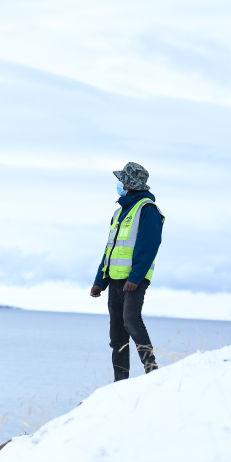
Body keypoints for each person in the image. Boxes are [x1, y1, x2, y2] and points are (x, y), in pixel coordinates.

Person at [90, 162, 164, 381]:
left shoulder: (147, 209)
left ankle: (151, 369)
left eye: (122, 180)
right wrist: (99, 281)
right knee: (117, 332)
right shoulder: (120, 211)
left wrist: (135, 277)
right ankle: (120, 380)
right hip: (114, 279)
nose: (119, 184)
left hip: (133, 281)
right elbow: (110, 250)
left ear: (130, 183)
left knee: (131, 320)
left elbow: (149, 246)